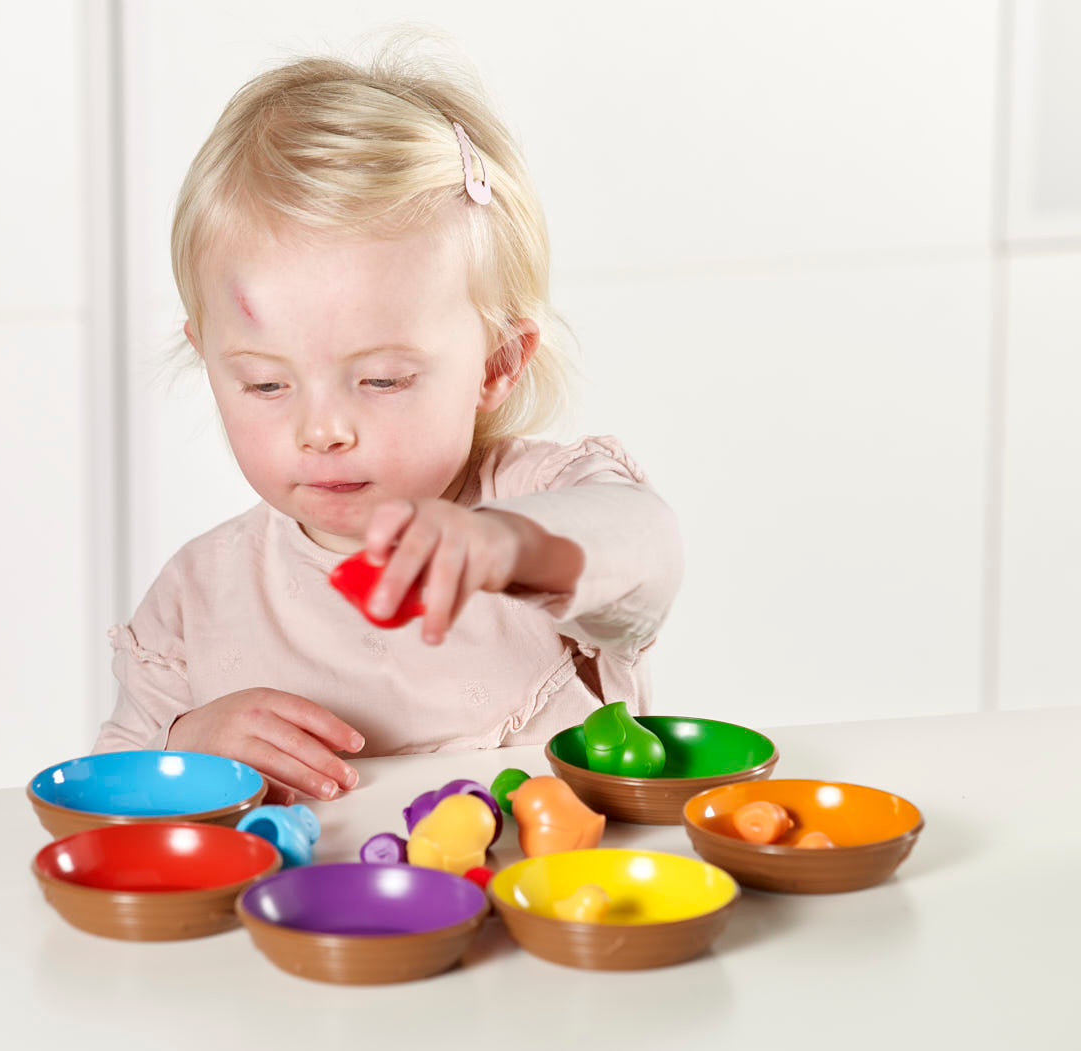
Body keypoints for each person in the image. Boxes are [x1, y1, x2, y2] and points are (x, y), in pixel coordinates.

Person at [94, 35, 684, 805]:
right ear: (209, 359)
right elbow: (103, 804)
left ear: (497, 362)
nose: (323, 428)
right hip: (307, 927)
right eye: (267, 384)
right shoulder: (197, 597)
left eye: (381, 378)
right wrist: (187, 747)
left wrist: (511, 545)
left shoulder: (539, 498)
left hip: (553, 916)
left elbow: (646, 546)